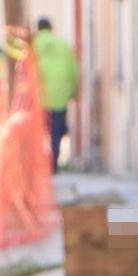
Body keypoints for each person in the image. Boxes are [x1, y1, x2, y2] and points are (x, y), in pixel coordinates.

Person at [32, 17, 80, 173]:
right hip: (60, 96)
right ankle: (53, 164)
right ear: (51, 29)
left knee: (39, 132)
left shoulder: (33, 46)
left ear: (38, 30)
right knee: (56, 132)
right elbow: (74, 71)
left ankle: (40, 165)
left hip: (39, 97)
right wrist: (74, 92)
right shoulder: (63, 45)